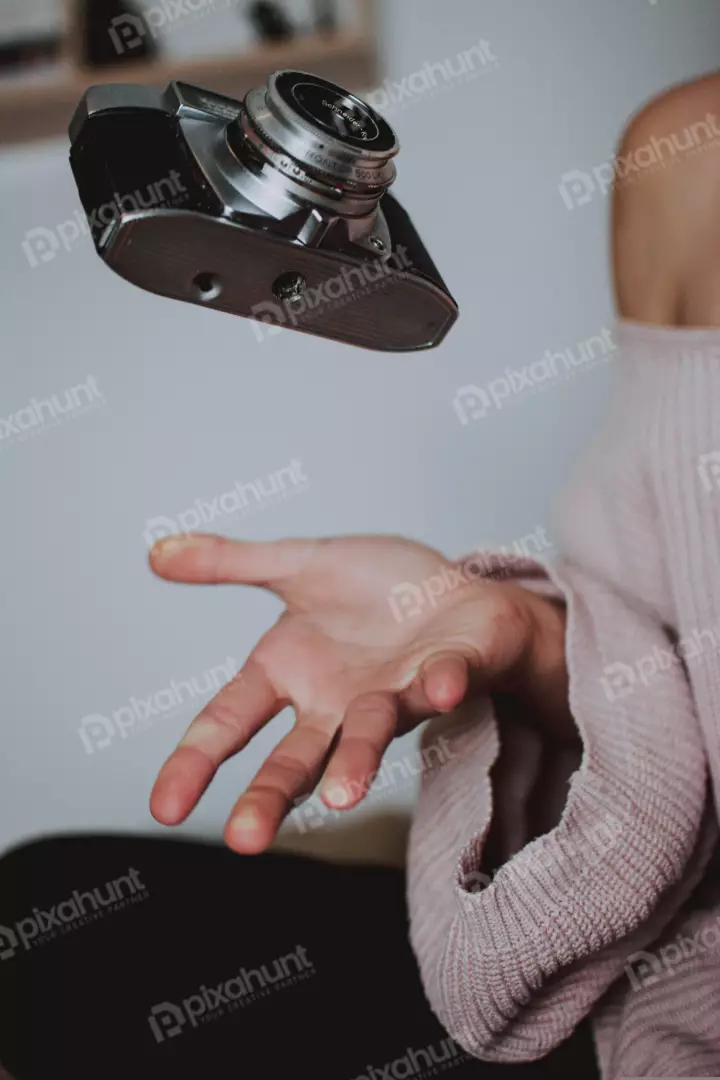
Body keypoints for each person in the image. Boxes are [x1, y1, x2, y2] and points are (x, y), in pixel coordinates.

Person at [145, 72, 720, 1078]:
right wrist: (530, 636)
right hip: (643, 943)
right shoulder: (687, 152)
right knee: (52, 909)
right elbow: (676, 655)